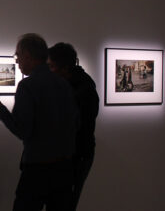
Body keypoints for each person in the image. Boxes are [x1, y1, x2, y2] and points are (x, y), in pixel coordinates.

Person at [0, 33, 79, 211]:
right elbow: (75, 122)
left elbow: (22, 130)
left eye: (18, 56)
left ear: (28, 55)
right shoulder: (64, 84)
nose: (17, 61)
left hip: (38, 168)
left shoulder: (28, 86)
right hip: (64, 168)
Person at [48, 42, 99, 211]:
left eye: (52, 66)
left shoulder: (84, 89)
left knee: (65, 203)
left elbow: (77, 126)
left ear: (65, 68)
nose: (49, 70)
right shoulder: (69, 85)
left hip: (78, 155)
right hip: (69, 154)